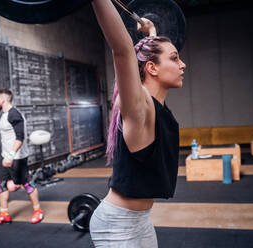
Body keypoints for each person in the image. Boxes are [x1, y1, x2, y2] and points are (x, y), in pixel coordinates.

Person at [89, 0, 186, 247]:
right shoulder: (137, 106)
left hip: (140, 220)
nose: (182, 65)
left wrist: (151, 33)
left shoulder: (153, 105)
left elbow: (140, 58)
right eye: (175, 59)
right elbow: (122, 51)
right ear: (152, 68)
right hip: (117, 225)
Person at [0, 88, 44, 224]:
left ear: (3, 99)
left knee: (26, 184)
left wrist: (11, 156)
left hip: (17, 158)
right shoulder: (4, 114)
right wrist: (6, 156)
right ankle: (4, 214)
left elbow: (20, 138)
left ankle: (38, 211)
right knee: (1, 184)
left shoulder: (14, 114)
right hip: (6, 157)